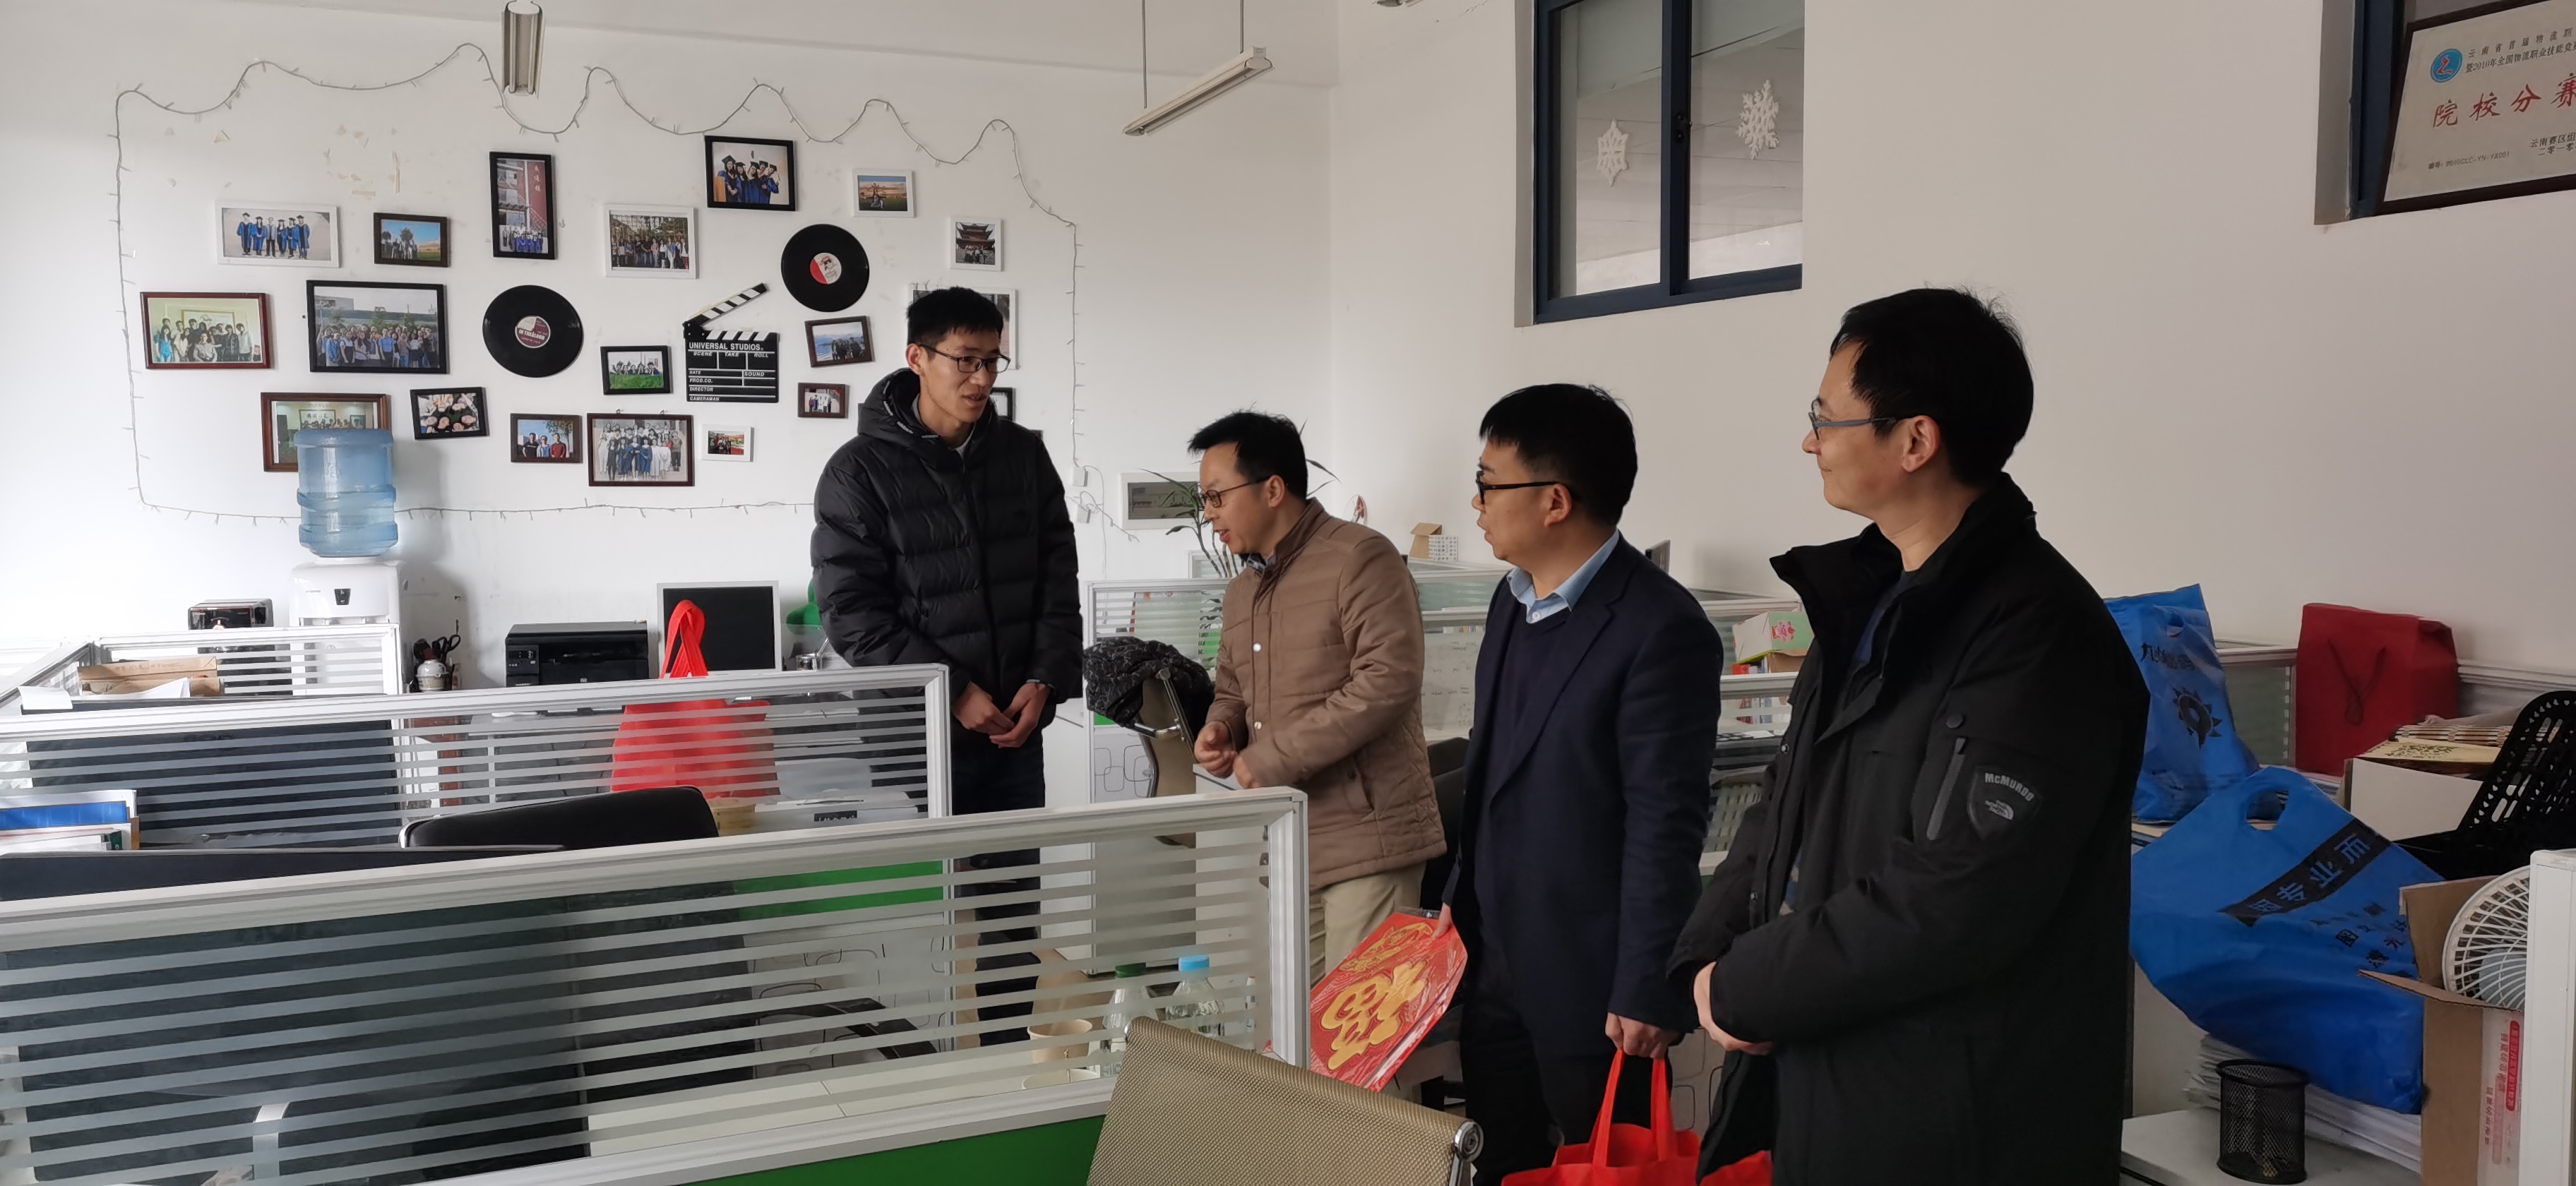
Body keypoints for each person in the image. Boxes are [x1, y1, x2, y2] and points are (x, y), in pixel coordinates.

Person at [1667, 289, 2148, 1185]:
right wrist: (1709, 952)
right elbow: (1784, 801)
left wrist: (1746, 984)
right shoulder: (1867, 600)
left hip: (1961, 1118)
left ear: (1915, 441)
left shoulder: (2038, 635)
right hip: (1831, 1077)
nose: (1809, 440)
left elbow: (1960, 895)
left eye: (1826, 417)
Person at [1437, 384, 1720, 1181]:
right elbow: (1493, 769)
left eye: (1490, 483)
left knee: (1606, 1168)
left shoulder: (1660, 628)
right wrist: (1454, 906)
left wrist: (1647, 983)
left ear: (1555, 500)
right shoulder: (1511, 601)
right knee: (1502, 1161)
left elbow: (1666, 820)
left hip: (1594, 978)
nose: (1477, 503)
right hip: (1495, 957)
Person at [811, 286, 1079, 1046]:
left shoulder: (1023, 457)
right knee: (921, 918)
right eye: (965, 360)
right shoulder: (859, 471)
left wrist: (1044, 681)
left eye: (992, 361)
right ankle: (924, 1073)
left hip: (1012, 732)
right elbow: (851, 613)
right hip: (914, 739)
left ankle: (1003, 1061)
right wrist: (952, 691)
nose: (981, 378)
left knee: (1010, 914)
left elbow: (1057, 583)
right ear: (917, 358)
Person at [1187, 412, 1447, 986]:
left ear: (1272, 489)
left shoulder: (1360, 557)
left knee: (1360, 1033)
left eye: (1217, 496)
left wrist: (1273, 758)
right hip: (1292, 839)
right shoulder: (1242, 590)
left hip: (1369, 843)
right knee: (1301, 1031)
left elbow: (1388, 680)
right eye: (1205, 500)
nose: (1209, 514)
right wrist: (1222, 728)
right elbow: (1233, 687)